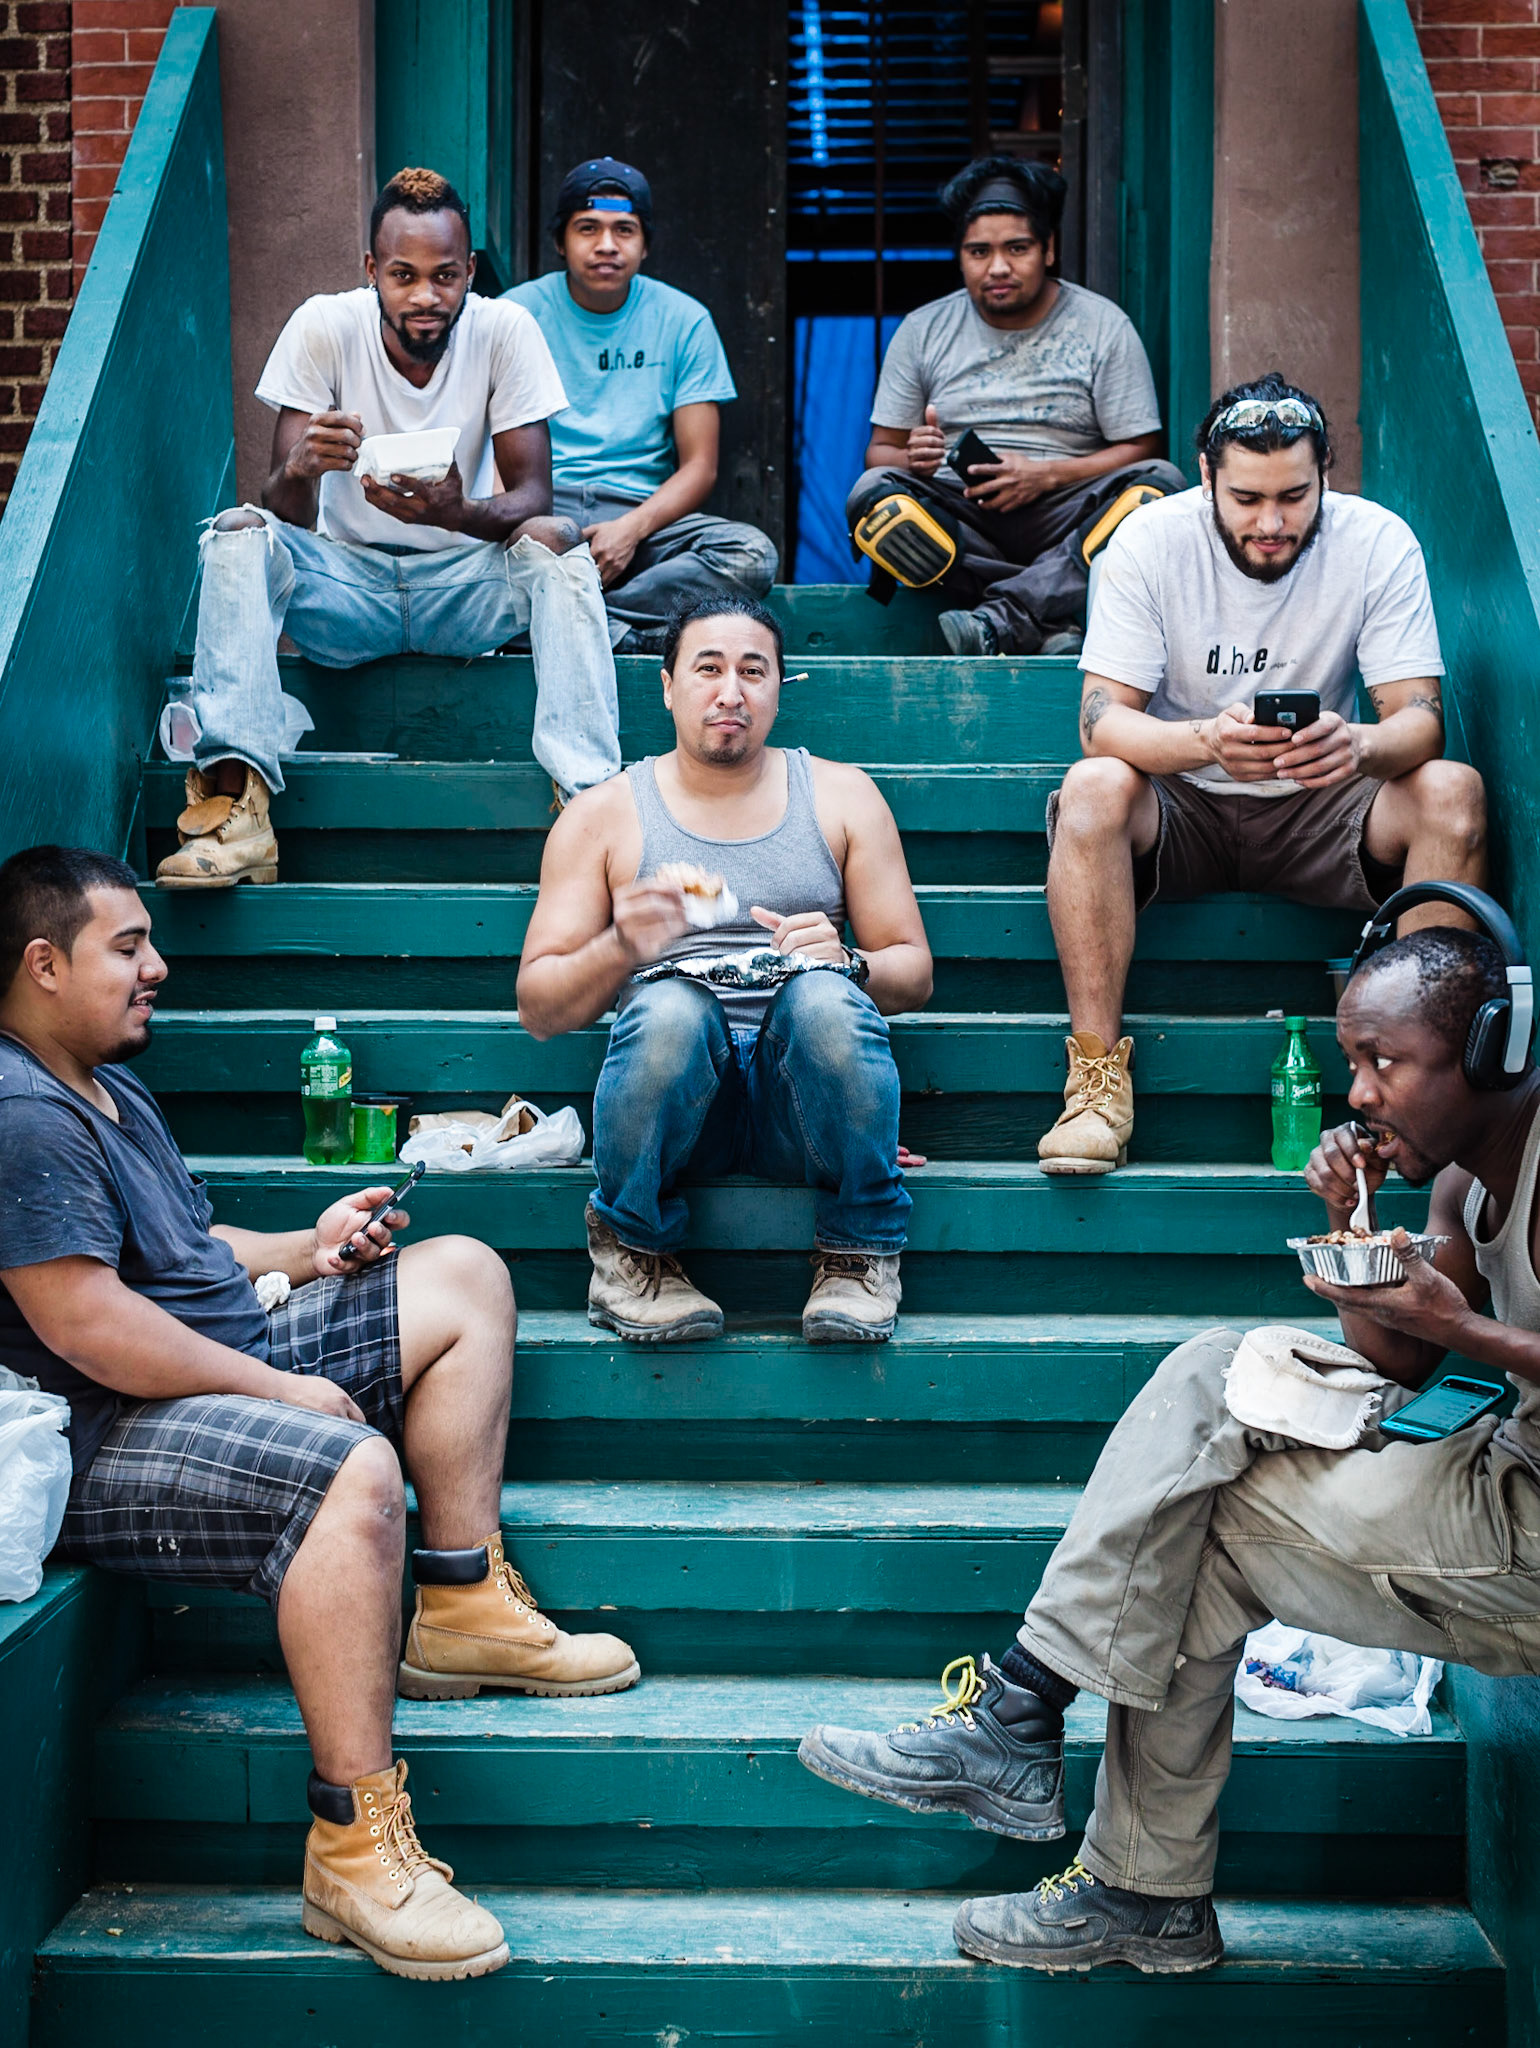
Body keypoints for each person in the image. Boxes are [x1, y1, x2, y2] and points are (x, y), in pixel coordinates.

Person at [799, 906, 1540, 1972]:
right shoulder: (1465, 1181)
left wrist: (1455, 1323)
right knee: (1207, 1376)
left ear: (1488, 1047)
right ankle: (1093, 1825)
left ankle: (1070, 1789)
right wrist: (1351, 1237)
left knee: (1188, 1519)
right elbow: (1401, 1364)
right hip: (1500, 1485)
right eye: (1351, 1061)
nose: (1362, 1090)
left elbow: (1445, 1339)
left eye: (1388, 1060)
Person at [0, 844, 639, 1980]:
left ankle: (459, 1604)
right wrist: (276, 1384)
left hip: (207, 1349)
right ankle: (352, 1843)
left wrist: (310, 1242)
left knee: (465, 1275)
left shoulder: (100, 1078)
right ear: (43, 963)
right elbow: (84, 1323)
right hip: (101, 1430)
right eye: (129, 946)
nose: (156, 966)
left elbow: (195, 1252)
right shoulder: (20, 1111)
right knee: (344, 1464)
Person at [1038, 372, 1488, 1175]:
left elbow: (1420, 719)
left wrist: (1356, 746)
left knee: (1453, 791)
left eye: (1294, 495)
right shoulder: (1148, 540)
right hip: (1185, 806)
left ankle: (1426, 1097)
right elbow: (1100, 721)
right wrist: (1207, 742)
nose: (1272, 522)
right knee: (1092, 786)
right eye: (1246, 498)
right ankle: (1097, 1083)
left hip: (1324, 805)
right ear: (1206, 476)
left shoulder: (1377, 539)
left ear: (1327, 475)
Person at [155, 165, 621, 889]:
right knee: (238, 529)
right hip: (348, 592)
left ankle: (592, 811)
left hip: (463, 592)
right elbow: (287, 516)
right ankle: (237, 810)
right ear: (372, 269)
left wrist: (456, 513)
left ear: (470, 271)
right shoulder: (324, 325)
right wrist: (302, 468)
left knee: (557, 542)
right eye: (403, 275)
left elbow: (533, 495)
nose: (426, 297)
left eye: (445, 276)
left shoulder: (505, 330)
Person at [516, 593, 933, 1344]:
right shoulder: (604, 815)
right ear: (669, 685)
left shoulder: (841, 796)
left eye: (754, 670)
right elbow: (540, 1008)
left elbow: (914, 972)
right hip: (678, 1111)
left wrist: (849, 961)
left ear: (779, 687)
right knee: (670, 1006)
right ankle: (633, 1254)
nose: (730, 691)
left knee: (826, 1003)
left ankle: (859, 1255)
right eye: (707, 669)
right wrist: (621, 947)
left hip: (797, 1108)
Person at [847, 155, 1184, 657]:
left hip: (1066, 516)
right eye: (979, 251)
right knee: (875, 496)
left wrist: (1047, 476)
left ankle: (1001, 618)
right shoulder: (923, 330)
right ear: (961, 257)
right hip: (962, 518)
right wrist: (912, 456)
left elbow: (1141, 449)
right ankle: (1043, 616)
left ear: (1048, 251)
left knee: (1161, 488)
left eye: (1017, 249)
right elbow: (880, 454)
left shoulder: (1102, 325)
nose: (998, 267)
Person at [505, 156, 778, 654]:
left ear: (645, 243)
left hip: (643, 524)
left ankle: (587, 625)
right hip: (544, 511)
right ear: (560, 240)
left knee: (751, 556)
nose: (606, 245)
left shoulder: (683, 320)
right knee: (466, 556)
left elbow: (700, 466)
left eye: (624, 230)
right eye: (587, 228)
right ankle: (620, 635)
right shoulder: (515, 314)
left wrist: (630, 530)